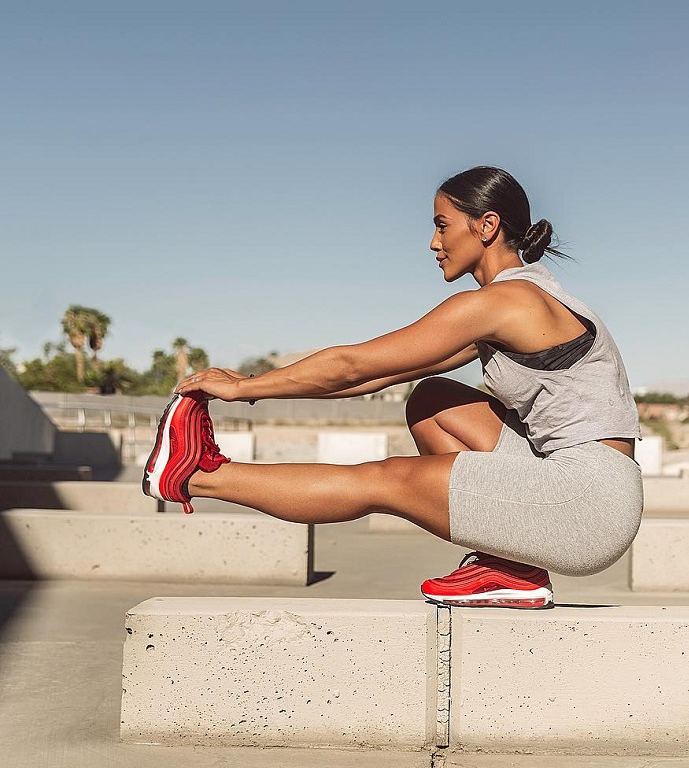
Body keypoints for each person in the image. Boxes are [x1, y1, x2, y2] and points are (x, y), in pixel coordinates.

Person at [143, 166, 643, 609]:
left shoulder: (507, 302)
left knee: (389, 479)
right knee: (433, 401)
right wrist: (255, 391)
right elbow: (376, 376)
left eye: (442, 224)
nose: (433, 242)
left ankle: (196, 476)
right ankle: (510, 569)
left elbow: (351, 365)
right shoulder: (520, 301)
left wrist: (242, 386)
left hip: (589, 505)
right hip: (586, 484)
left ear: (486, 225)